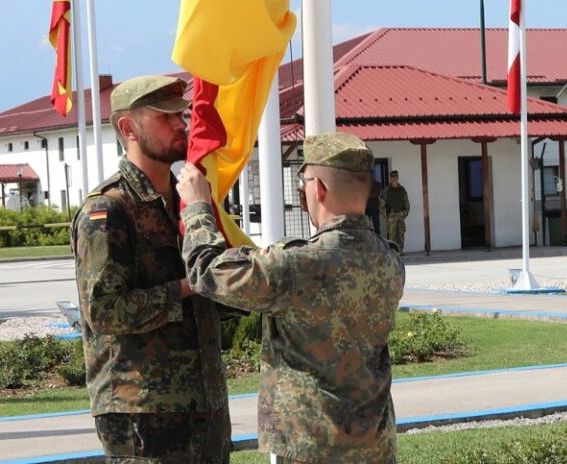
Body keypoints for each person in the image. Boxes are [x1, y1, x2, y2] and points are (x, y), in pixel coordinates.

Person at [176, 132, 405, 463]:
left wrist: (198, 207)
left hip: (310, 447)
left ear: (319, 189)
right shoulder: (390, 261)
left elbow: (206, 271)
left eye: (304, 181)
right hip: (374, 446)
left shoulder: (297, 265)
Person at [71, 75, 231, 463]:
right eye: (165, 117)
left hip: (204, 404)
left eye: (182, 114)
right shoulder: (108, 211)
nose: (181, 123)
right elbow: (104, 312)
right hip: (141, 410)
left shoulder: (188, 202)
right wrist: (185, 288)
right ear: (129, 128)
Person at [379, 170, 410, 254]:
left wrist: (404, 214)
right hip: (391, 215)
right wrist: (386, 215)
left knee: (401, 234)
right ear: (390, 178)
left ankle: (400, 251)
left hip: (400, 215)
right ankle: (393, 252)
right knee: (392, 235)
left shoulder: (402, 190)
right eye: (392, 177)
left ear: (398, 178)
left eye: (395, 177)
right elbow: (381, 205)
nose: (394, 179)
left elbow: (407, 203)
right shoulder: (386, 191)